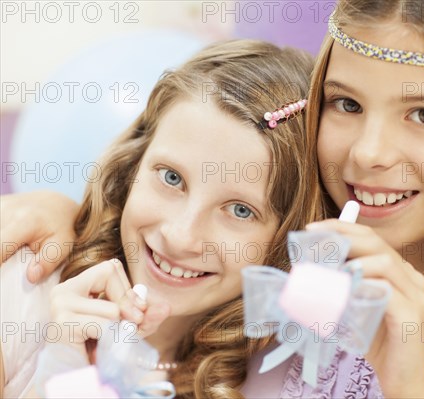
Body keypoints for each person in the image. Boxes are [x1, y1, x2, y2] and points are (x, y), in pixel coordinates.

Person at [3, 0, 424, 398]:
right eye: (346, 103)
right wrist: (76, 218)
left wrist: (408, 380)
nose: (369, 153)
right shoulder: (259, 295)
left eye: (423, 113)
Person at [0, 39, 322, 399]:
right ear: (132, 164)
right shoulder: (18, 293)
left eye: (240, 210)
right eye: (171, 178)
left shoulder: (281, 375)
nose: (181, 236)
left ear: (289, 236)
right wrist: (57, 371)